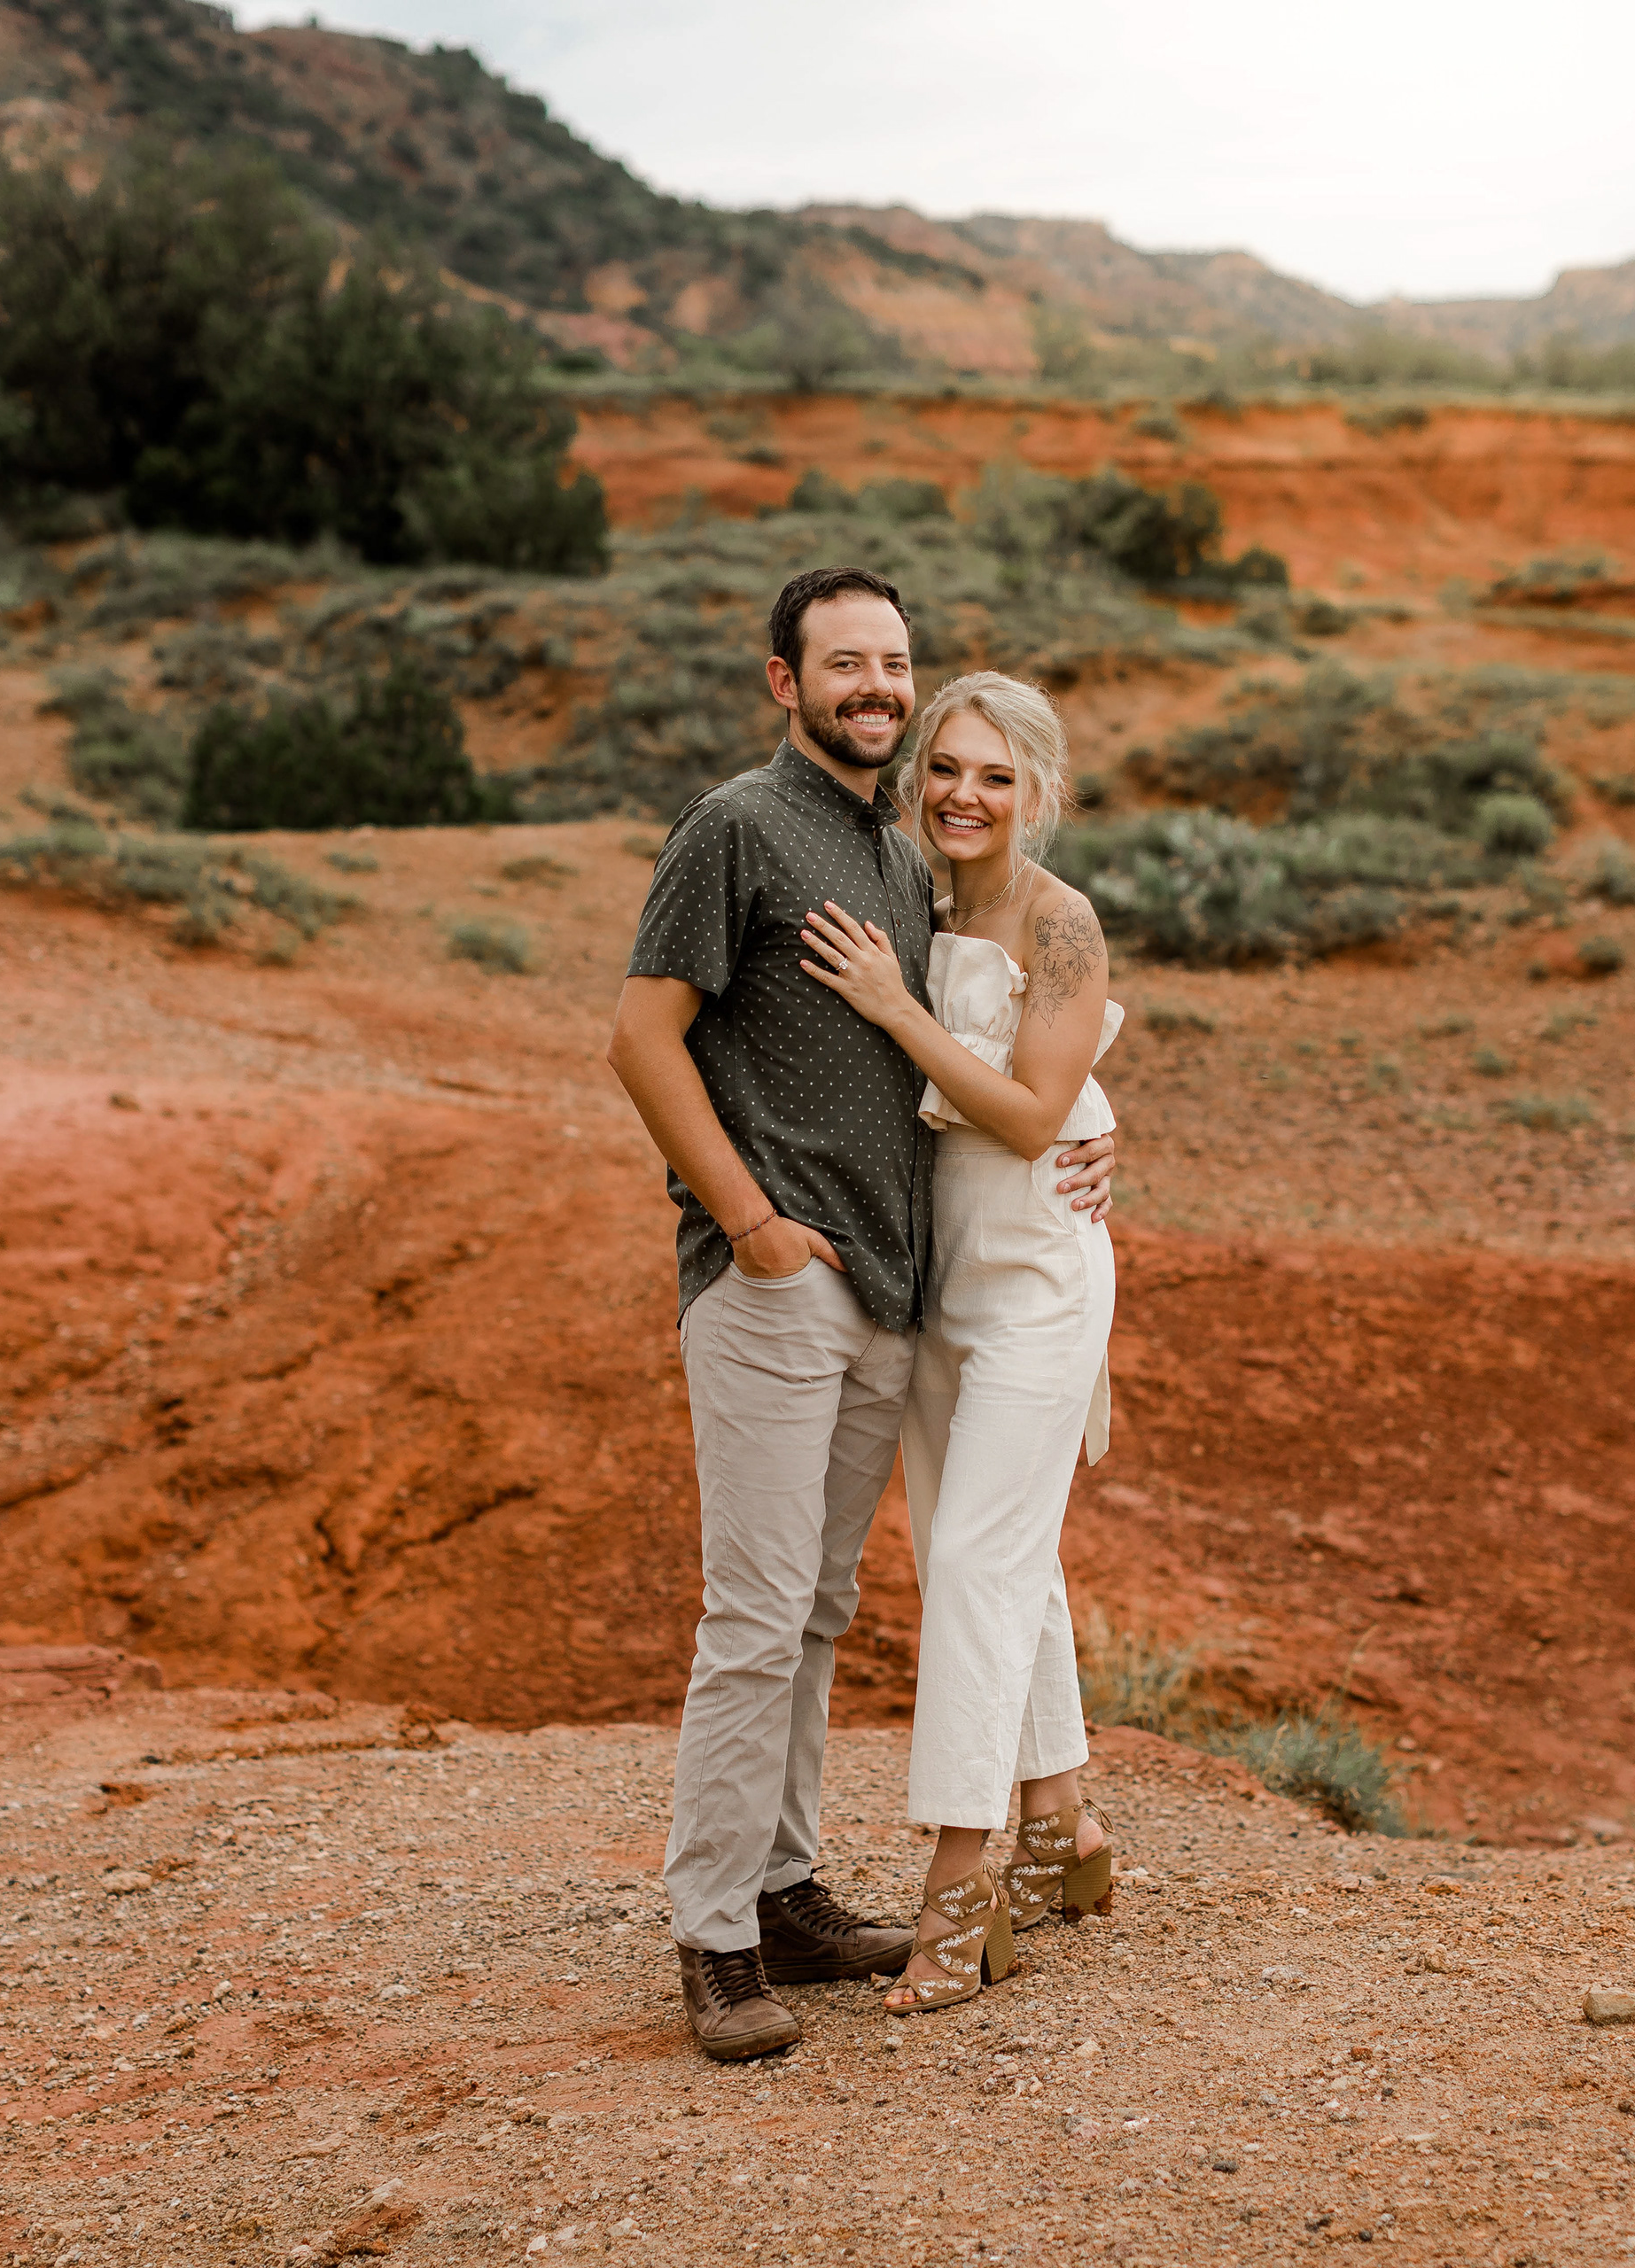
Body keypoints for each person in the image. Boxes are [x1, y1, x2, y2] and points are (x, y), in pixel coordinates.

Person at [605, 568, 1118, 2062]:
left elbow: (1004, 1050)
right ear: (787, 681)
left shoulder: (905, 860)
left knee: (817, 1612)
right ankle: (716, 1938)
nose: (877, 688)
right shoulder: (735, 827)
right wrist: (750, 1227)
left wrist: (1096, 1127)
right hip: (781, 1282)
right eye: (846, 664)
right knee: (757, 1615)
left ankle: (782, 1894)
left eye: (894, 663)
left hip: (902, 1290)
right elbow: (641, 1038)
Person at [790, 670, 1123, 2014]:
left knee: (979, 1559)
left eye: (996, 776)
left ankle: (958, 1891)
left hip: (1040, 1270)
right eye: (945, 768)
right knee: (983, 1550)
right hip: (937, 1273)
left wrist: (898, 1009)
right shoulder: (910, 905)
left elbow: (1037, 1116)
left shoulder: (1062, 920)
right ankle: (1066, 1828)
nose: (964, 796)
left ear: (1039, 792)